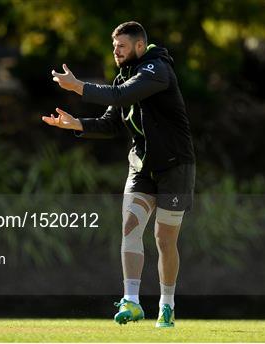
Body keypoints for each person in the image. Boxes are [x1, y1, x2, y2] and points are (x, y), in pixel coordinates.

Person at [42, 21, 195, 328]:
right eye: (114, 48)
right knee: (130, 227)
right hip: (141, 167)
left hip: (175, 166)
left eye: (121, 47)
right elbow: (112, 122)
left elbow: (121, 96)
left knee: (164, 240)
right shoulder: (124, 76)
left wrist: (78, 86)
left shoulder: (157, 69)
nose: (116, 52)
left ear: (140, 46)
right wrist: (77, 125)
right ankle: (133, 302)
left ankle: (167, 305)